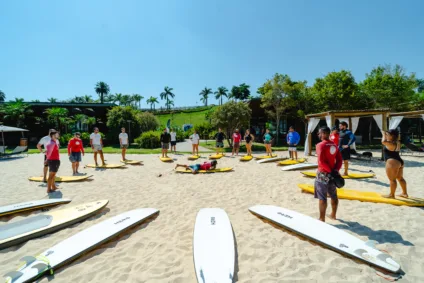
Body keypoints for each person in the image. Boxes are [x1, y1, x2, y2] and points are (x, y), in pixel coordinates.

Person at [315, 126, 342, 222]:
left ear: (323, 134)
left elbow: (321, 162)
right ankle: (333, 215)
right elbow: (339, 159)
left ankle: (322, 218)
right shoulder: (334, 145)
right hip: (333, 174)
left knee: (322, 197)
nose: (318, 135)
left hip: (323, 173)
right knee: (333, 195)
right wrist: (335, 170)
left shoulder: (320, 145)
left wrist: (330, 171)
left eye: (319, 133)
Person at [381, 129, 408, 199]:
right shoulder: (397, 141)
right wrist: (386, 134)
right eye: (386, 134)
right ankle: (404, 193)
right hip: (399, 161)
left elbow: (383, 141)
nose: (386, 135)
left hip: (392, 162)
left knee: (392, 180)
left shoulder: (390, 143)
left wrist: (383, 134)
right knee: (400, 178)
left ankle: (391, 195)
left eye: (387, 134)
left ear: (392, 136)